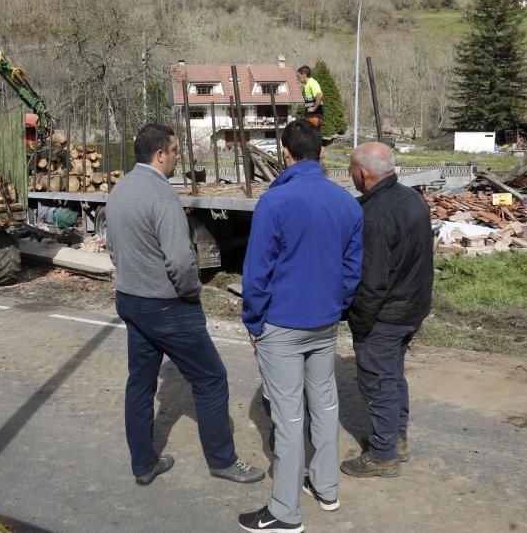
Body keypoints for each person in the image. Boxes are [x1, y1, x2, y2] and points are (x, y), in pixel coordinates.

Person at [106, 123, 265, 487]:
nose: (178, 156)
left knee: (140, 384)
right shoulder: (162, 195)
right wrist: (191, 291)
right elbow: (180, 261)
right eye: (176, 151)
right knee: (210, 378)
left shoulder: (120, 189)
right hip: (168, 305)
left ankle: (143, 464)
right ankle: (223, 460)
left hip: (131, 301)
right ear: (159, 154)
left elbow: (112, 247)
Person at [238, 120, 363, 533]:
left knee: (288, 417)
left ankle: (285, 512)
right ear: (321, 153)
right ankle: (326, 488)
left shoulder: (275, 202)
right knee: (325, 405)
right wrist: (337, 306)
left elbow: (257, 272)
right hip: (324, 321)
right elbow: (351, 269)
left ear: (284, 153)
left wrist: (253, 321)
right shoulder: (346, 202)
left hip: (283, 324)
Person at [341, 142, 434, 479]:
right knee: (393, 376)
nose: (351, 175)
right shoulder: (412, 200)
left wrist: (359, 322)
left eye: (351, 169)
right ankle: (396, 439)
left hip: (386, 314)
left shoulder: (374, 215)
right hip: (412, 308)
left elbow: (373, 281)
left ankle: (382, 456)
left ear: (363, 174)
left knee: (378, 382)